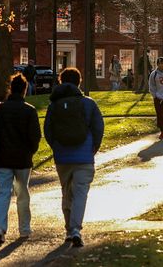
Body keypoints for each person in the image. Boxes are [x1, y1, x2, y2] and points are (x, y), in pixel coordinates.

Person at [44, 67, 104, 248]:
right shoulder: (88, 103)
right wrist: (94, 147)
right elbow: (98, 127)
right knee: (80, 193)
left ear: (61, 82)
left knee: (66, 192)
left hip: (62, 156)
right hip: (84, 155)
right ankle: (76, 229)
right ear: (79, 82)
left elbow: (48, 130)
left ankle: (69, 230)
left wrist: (55, 146)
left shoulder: (54, 104)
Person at [0, 73, 41, 244]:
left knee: (3, 193)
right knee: (22, 193)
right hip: (22, 160)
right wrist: (30, 152)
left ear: (11, 89)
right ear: (25, 90)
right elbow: (35, 137)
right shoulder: (29, 110)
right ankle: (24, 229)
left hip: (3, 158)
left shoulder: (0, 109)